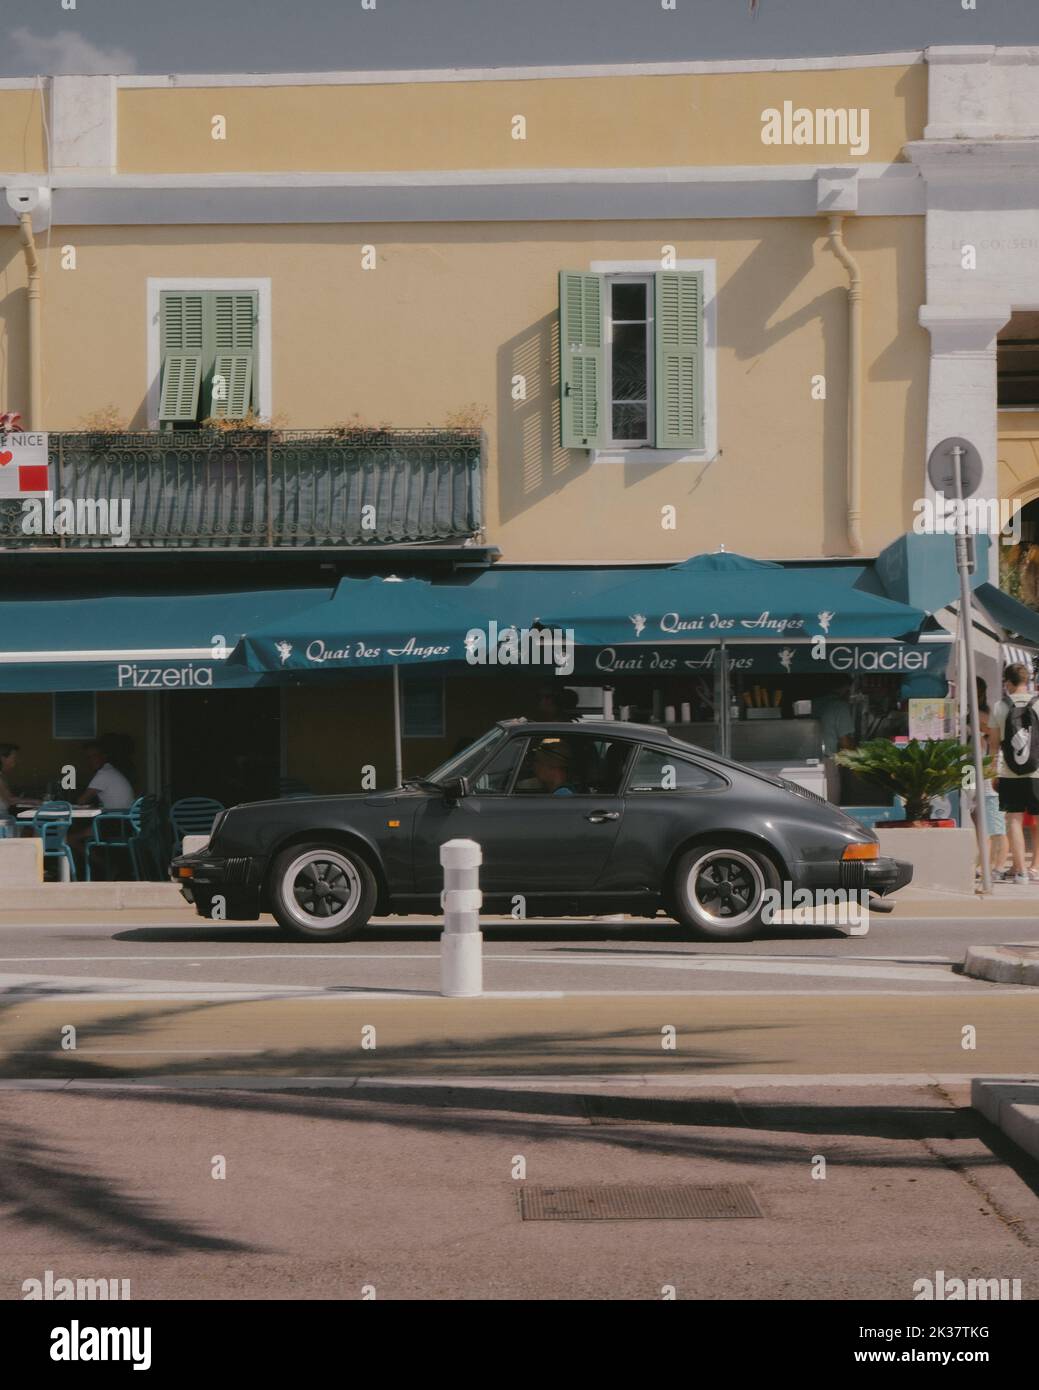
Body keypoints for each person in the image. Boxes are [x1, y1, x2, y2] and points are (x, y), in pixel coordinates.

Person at [991, 662, 1039, 885]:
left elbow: (993, 744)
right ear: (1026, 680)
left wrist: (992, 771)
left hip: (1010, 773)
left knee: (1013, 820)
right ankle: (1035, 867)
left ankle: (1020, 872)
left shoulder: (1000, 706)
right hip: (1037, 772)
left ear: (1008, 682)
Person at [975, 679, 1009, 879]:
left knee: (996, 826)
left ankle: (997, 867)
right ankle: (985, 865)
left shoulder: (985, 715)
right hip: (973, 773)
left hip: (989, 780)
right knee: (980, 822)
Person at [814, 678, 856, 802]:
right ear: (845, 689)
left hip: (806, 760)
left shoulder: (814, 702)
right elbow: (845, 741)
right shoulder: (839, 705)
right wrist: (857, 762)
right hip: (828, 760)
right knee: (831, 802)